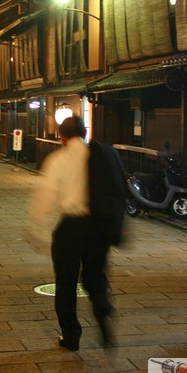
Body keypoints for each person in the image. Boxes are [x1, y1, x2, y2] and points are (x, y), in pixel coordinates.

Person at [26, 116, 125, 351]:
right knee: (95, 274)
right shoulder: (102, 156)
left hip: (70, 227)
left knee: (66, 282)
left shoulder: (58, 159)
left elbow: (46, 195)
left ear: (62, 136)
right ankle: (101, 304)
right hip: (98, 227)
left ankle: (71, 336)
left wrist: (36, 227)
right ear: (84, 133)